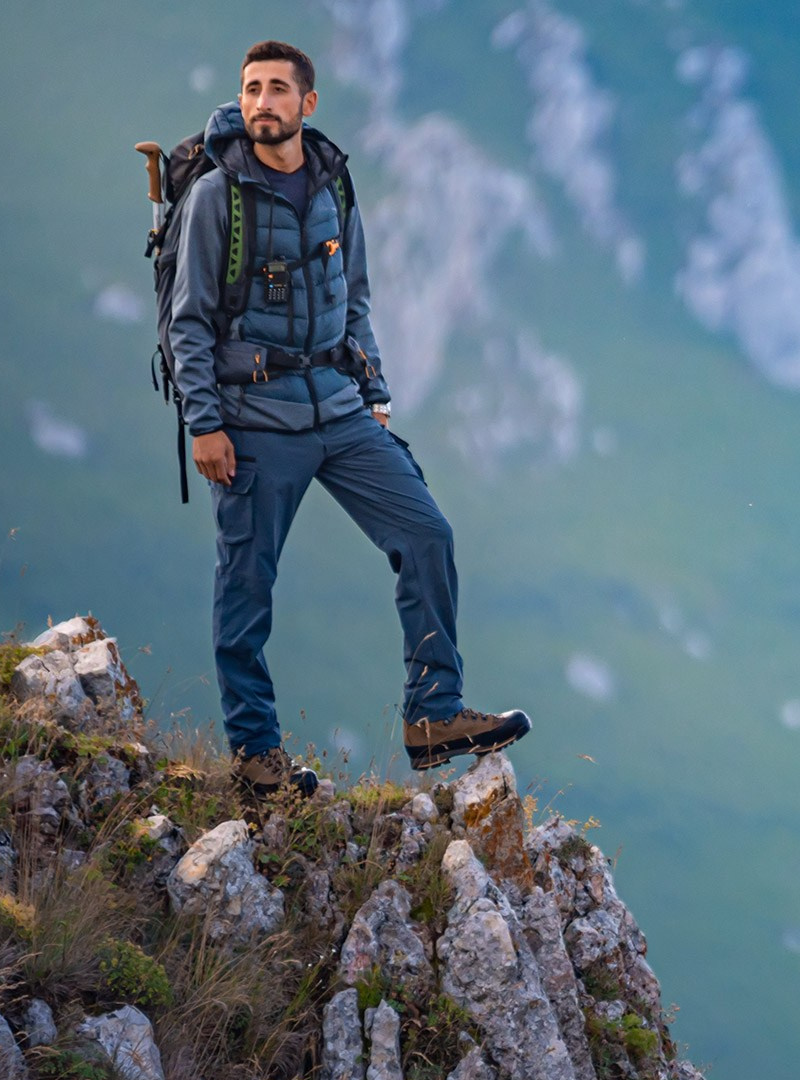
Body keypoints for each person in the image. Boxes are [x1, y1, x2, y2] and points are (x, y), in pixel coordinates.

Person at [168, 40, 529, 799]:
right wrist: (205, 423)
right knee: (247, 583)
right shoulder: (215, 198)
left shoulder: (334, 186)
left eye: (276, 90)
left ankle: (432, 715)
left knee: (426, 532)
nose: (261, 102)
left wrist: (374, 384)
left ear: (309, 103)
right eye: (250, 89)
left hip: (338, 407)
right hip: (252, 418)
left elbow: (351, 298)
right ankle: (256, 758)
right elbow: (189, 322)